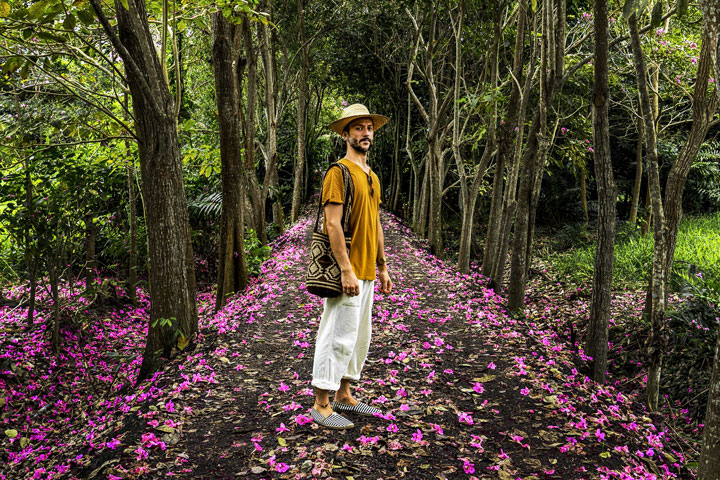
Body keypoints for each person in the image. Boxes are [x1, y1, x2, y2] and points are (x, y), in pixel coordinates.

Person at [310, 104, 394, 430]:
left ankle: (345, 394)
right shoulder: (338, 172)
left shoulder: (371, 175)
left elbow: (375, 224)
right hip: (349, 269)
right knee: (337, 335)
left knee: (360, 337)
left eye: (369, 128)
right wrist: (345, 269)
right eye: (358, 128)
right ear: (346, 134)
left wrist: (383, 266)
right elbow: (332, 224)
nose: (365, 133)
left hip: (368, 270)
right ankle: (321, 404)